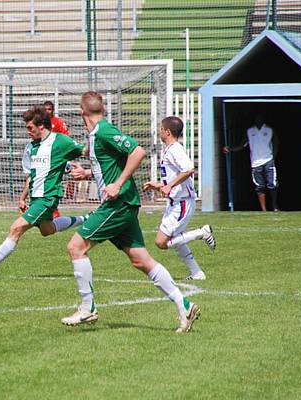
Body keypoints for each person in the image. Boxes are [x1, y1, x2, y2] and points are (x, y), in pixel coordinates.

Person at [65, 91, 201, 333]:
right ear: (102, 109)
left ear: (81, 111)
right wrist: (86, 174)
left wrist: (118, 184)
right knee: (141, 260)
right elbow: (109, 164)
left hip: (118, 204)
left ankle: (88, 308)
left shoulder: (104, 131)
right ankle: (185, 306)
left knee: (76, 247)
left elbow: (137, 152)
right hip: (124, 204)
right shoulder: (97, 135)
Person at [0, 106, 86, 278]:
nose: (28, 132)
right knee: (47, 230)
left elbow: (84, 150)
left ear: (41, 125)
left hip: (47, 198)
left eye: (30, 128)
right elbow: (31, 177)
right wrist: (22, 198)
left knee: (16, 228)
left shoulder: (60, 141)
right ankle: (86, 218)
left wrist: (86, 170)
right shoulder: (31, 147)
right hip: (35, 198)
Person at [142, 116, 216, 281]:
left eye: (161, 129)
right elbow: (175, 175)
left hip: (182, 202)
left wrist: (170, 186)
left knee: (161, 242)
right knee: (177, 240)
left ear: (167, 132)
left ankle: (201, 232)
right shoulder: (168, 149)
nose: (159, 132)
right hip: (176, 202)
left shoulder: (175, 149)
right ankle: (197, 273)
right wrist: (160, 185)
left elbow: (189, 169)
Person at [222, 114, 279, 211]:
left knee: (272, 184)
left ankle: (274, 206)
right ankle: (264, 210)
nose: (258, 120)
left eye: (260, 118)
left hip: (268, 160)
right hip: (255, 162)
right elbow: (242, 145)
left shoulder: (270, 130)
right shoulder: (249, 131)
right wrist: (230, 149)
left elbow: (276, 143)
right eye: (257, 118)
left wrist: (273, 157)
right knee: (259, 186)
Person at [43, 100, 75, 208]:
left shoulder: (58, 122)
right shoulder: (41, 122)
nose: (47, 111)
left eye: (49, 109)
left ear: (53, 110)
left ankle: (68, 196)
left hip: (59, 154)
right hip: (46, 154)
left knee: (65, 173)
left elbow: (66, 136)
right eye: (45, 109)